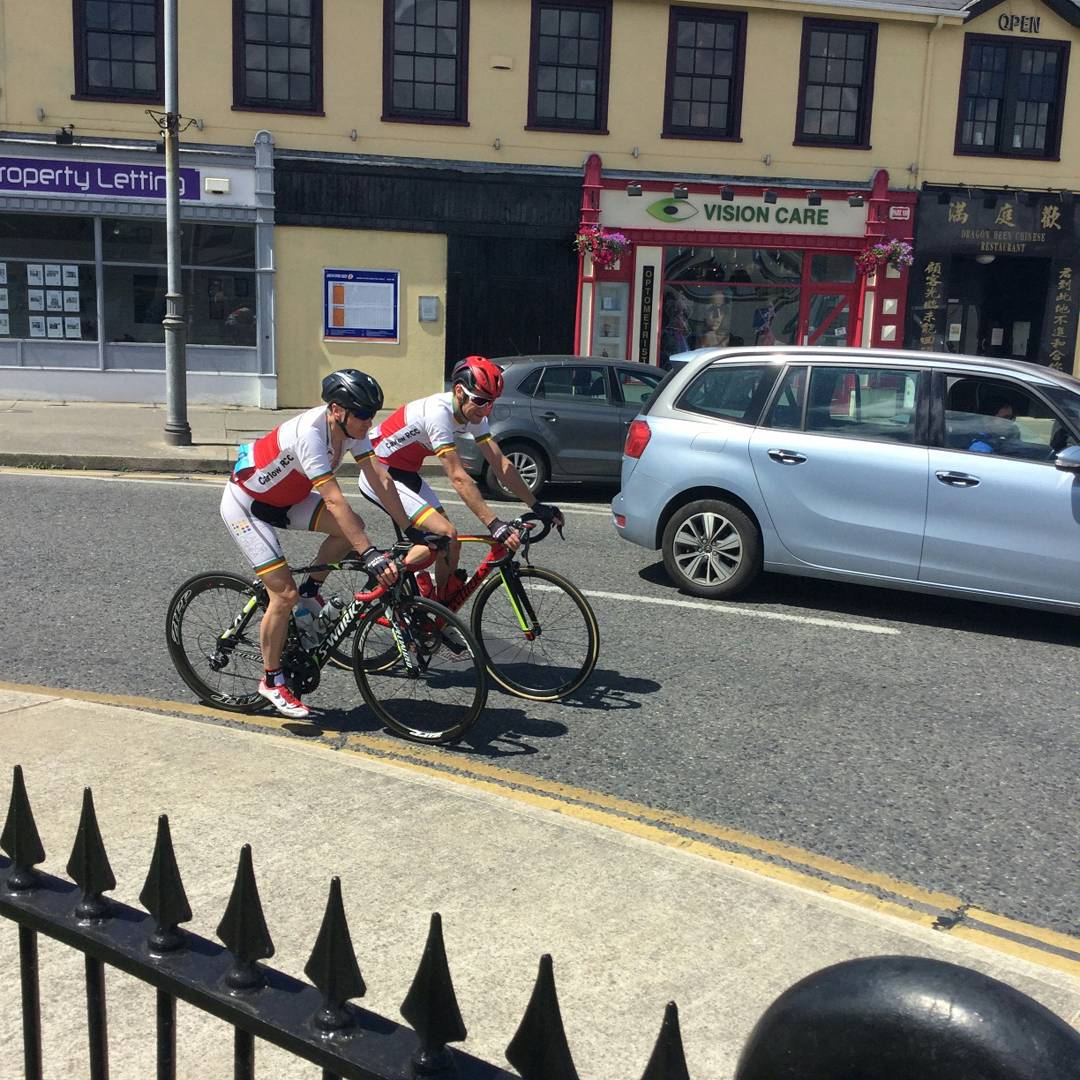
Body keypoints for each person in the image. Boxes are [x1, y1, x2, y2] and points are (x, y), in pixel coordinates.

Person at [219, 368, 421, 720]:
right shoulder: (309, 434)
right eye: (362, 414)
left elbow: (380, 478)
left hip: (287, 499)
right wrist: (369, 553)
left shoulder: (352, 430)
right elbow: (333, 499)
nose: (369, 421)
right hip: (248, 505)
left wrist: (410, 529)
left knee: (351, 529)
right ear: (336, 410)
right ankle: (271, 681)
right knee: (284, 596)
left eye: (372, 414)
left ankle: (311, 592)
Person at [357, 355, 564, 600]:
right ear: (459, 391)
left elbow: (500, 463)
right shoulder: (438, 413)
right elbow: (457, 477)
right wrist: (494, 524)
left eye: (491, 402)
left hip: (406, 474)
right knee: (446, 534)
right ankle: (387, 576)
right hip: (378, 473)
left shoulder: (472, 413)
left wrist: (536, 505)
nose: (486, 409)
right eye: (481, 401)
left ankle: (438, 607)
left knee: (451, 544)